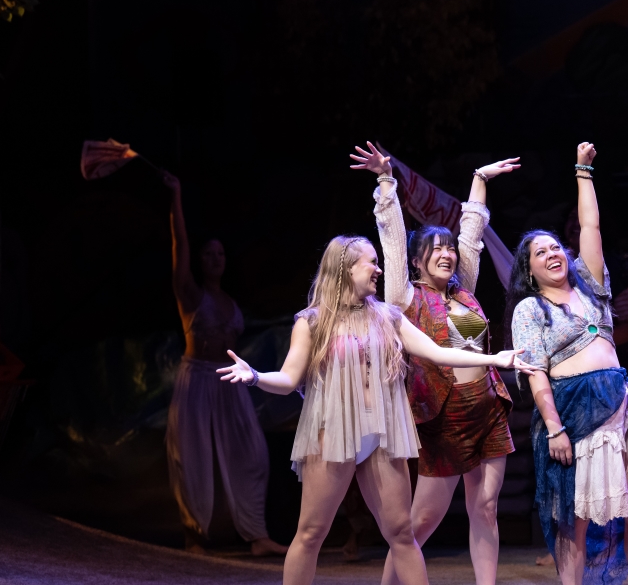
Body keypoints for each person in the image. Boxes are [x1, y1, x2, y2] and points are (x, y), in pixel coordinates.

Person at [219, 235, 535, 585]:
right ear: (345, 268)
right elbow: (289, 378)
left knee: (402, 532)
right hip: (334, 435)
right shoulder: (312, 322)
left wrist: (494, 358)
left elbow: (436, 351)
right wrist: (255, 377)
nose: (379, 269)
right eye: (371, 261)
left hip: (382, 434)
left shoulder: (388, 316)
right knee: (311, 532)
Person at [351, 142, 520, 585]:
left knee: (485, 507)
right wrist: (386, 182)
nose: (447, 253)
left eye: (449, 248)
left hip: (487, 408)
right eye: (436, 249)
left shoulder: (463, 290)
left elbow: (472, 236)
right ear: (417, 261)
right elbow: (391, 238)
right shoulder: (404, 298)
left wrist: (479, 183)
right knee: (418, 524)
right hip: (442, 418)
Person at [507, 142, 628, 585]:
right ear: (529, 270)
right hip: (572, 413)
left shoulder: (593, 289)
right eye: (541, 252)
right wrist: (553, 426)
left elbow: (590, 224)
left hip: (621, 403)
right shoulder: (530, 310)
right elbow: (534, 371)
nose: (553, 254)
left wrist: (583, 171)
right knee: (573, 512)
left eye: (556, 247)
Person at [163, 172, 287, 556]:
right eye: (208, 254)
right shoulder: (189, 295)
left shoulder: (231, 301)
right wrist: (176, 198)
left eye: (220, 254)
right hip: (197, 378)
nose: (215, 259)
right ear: (199, 261)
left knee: (253, 453)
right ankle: (194, 536)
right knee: (192, 459)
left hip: (229, 380)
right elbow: (179, 245)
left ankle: (257, 535)